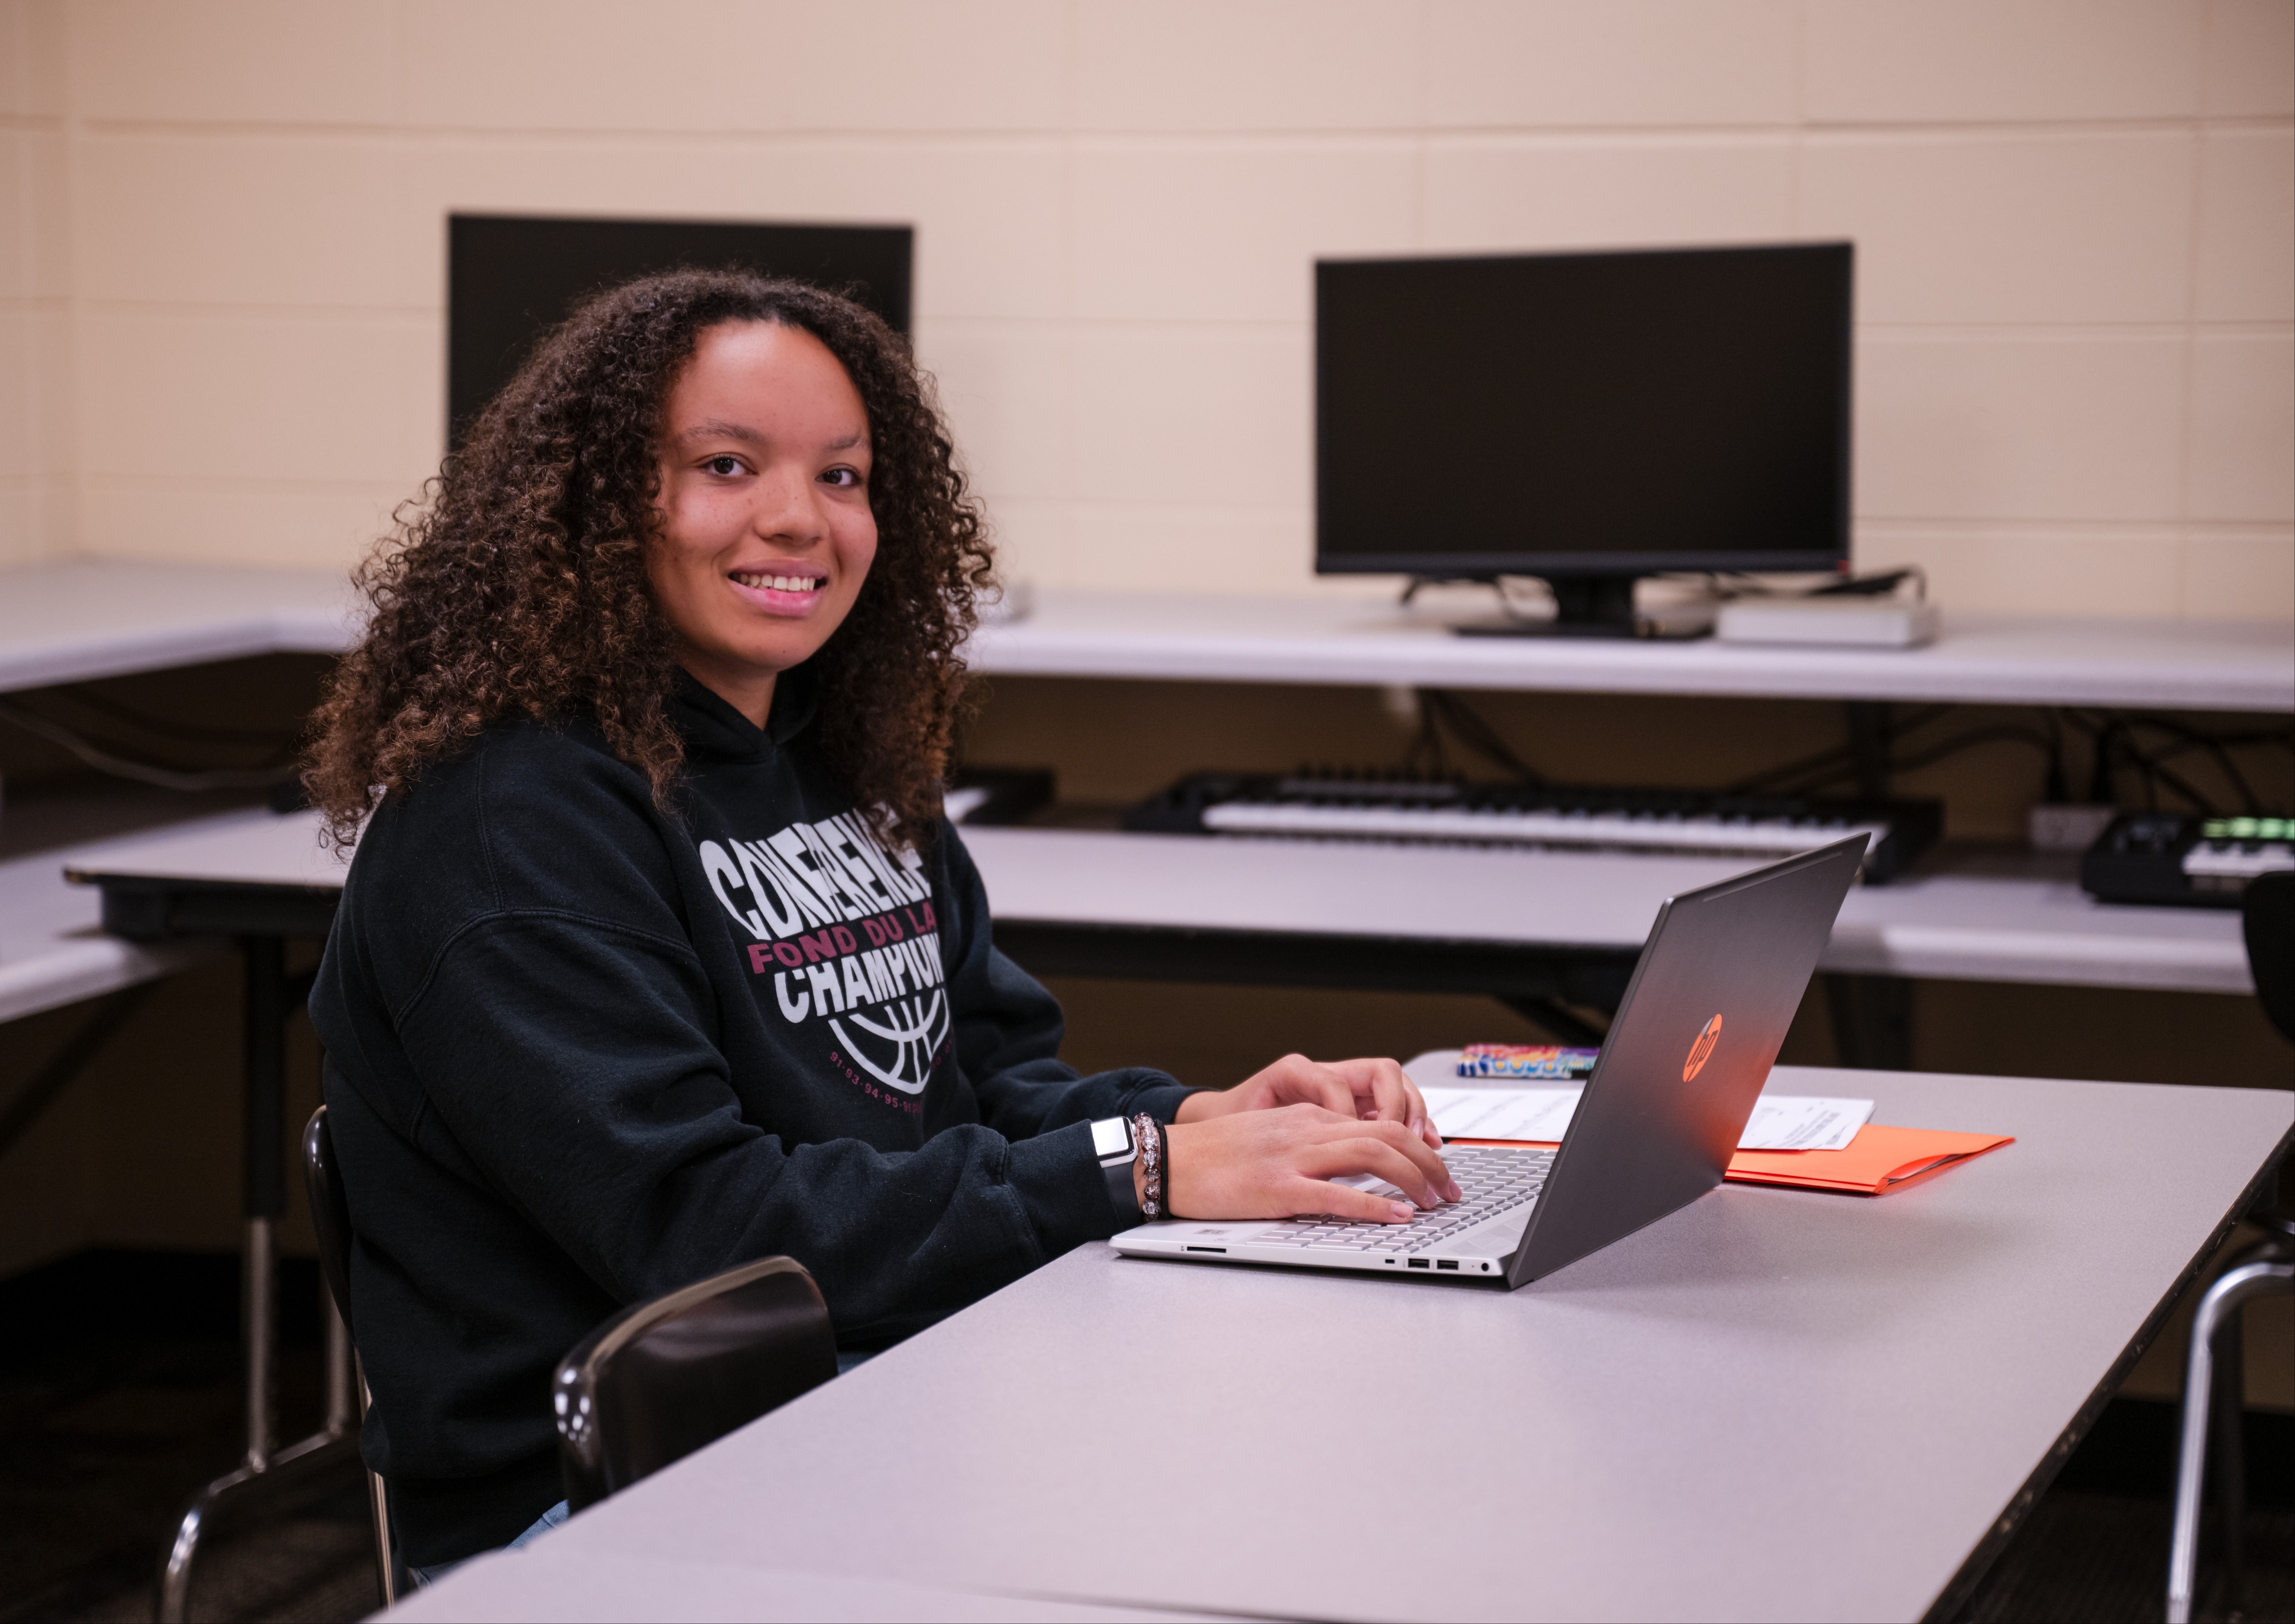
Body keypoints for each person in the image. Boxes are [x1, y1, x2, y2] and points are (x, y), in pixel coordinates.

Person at [304, 270, 1459, 1577]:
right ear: (593, 500)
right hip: (610, 1504)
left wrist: (1201, 1119)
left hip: (877, 1387)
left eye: (843, 477)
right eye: (726, 464)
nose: (798, 519)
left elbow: (980, 1081)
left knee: (1345, 1478)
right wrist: (1136, 1170)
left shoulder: (840, 759)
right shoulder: (506, 829)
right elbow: (707, 1232)